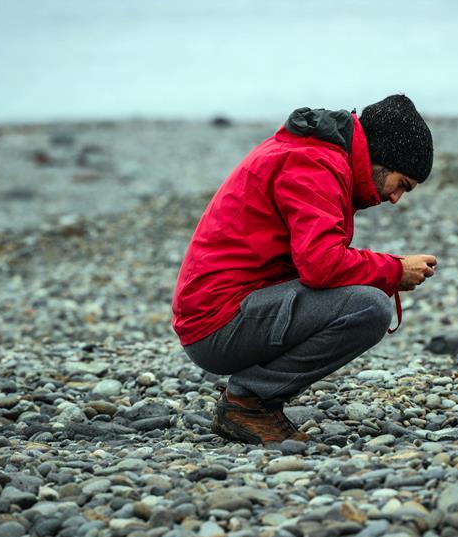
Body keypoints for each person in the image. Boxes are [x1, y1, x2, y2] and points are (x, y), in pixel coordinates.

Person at [172, 94, 437, 445]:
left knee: (360, 295)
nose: (395, 199)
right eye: (401, 184)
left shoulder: (317, 154)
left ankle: (254, 401)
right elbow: (322, 266)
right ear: (382, 158)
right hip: (217, 324)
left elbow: (315, 262)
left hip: (223, 311)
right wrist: (394, 270)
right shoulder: (314, 163)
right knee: (370, 307)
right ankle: (247, 403)